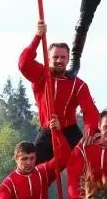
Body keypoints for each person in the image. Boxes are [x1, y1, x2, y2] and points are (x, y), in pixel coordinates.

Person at [18, 20, 100, 162]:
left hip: (70, 131)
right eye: (55, 57)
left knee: (88, 162)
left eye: (63, 57)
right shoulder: (41, 76)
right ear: (48, 58)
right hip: (47, 131)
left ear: (68, 59)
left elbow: (90, 110)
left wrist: (89, 130)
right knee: (33, 168)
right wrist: (38, 36)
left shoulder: (78, 84)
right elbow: (24, 64)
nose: (59, 60)